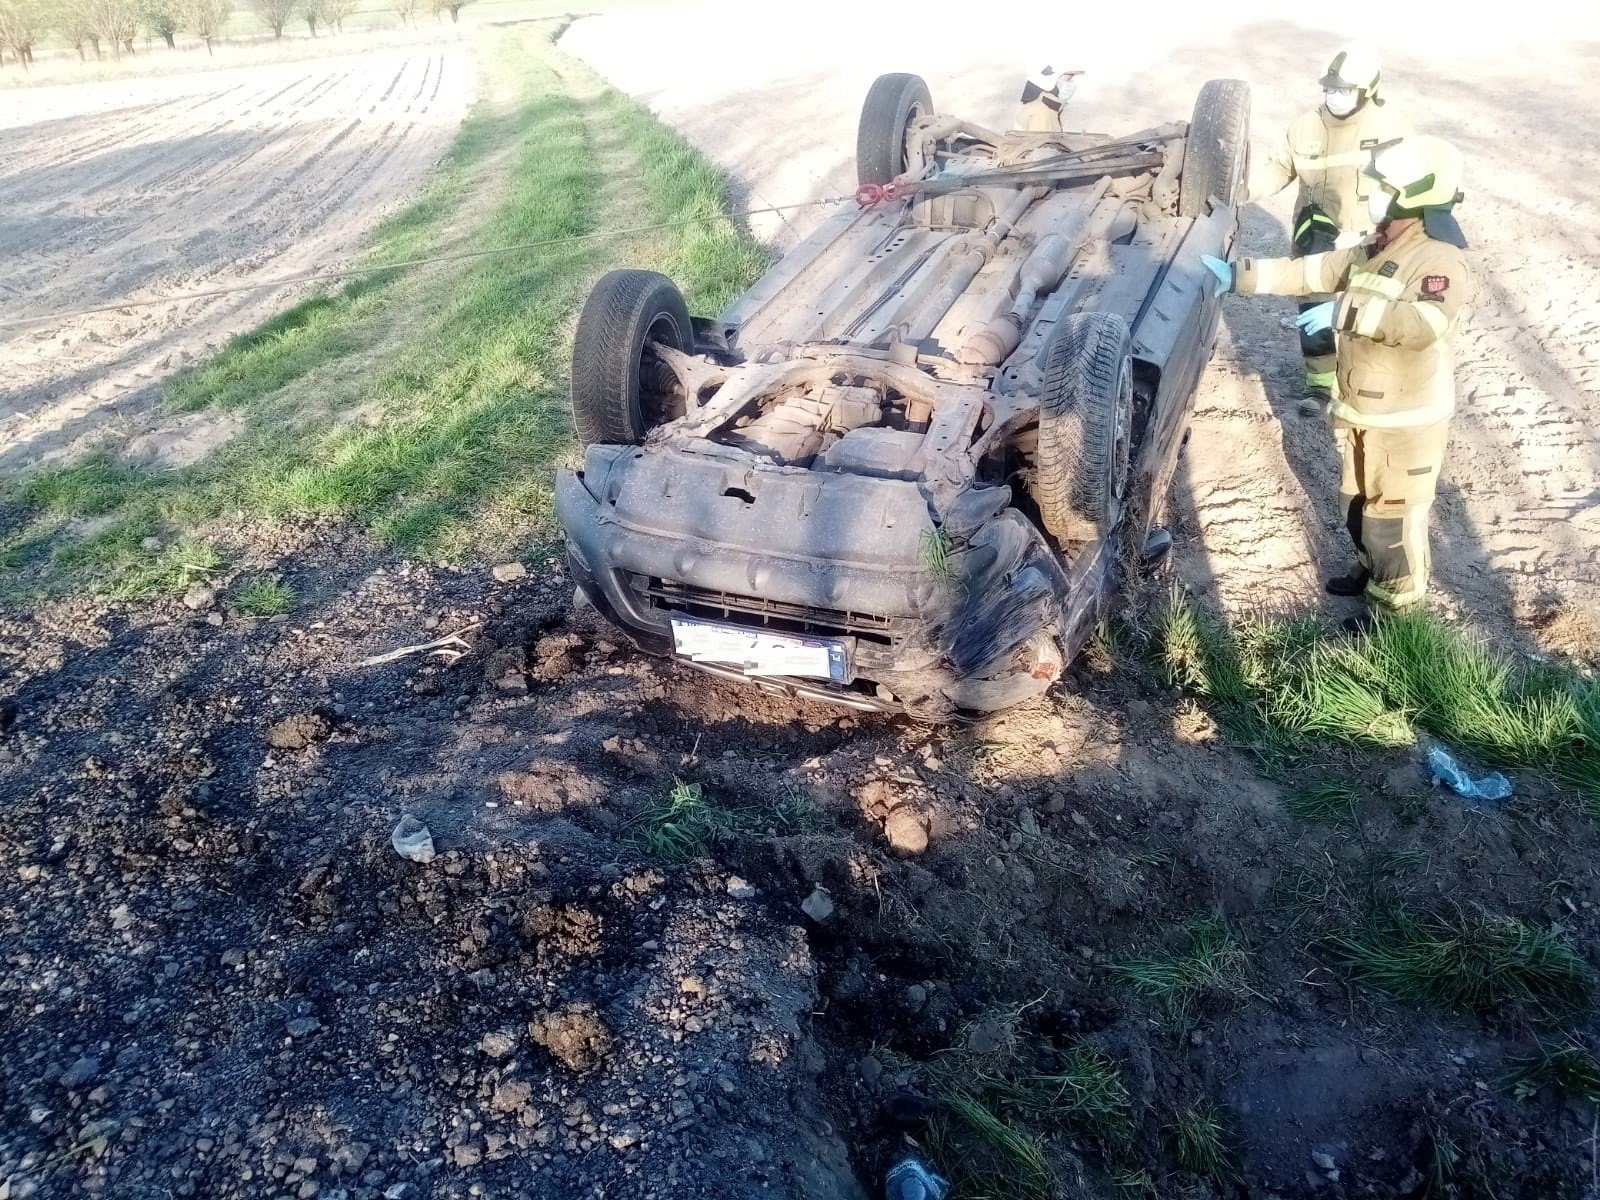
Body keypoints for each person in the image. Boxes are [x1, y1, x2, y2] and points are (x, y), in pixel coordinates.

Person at [1203, 136, 1472, 617]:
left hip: (1405, 419)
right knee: (1357, 503)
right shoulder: (1381, 242)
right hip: (1365, 408)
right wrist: (1238, 275)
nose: (1372, 195)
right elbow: (1315, 271)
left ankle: (1394, 622)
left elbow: (1423, 325)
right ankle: (1370, 574)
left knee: (1393, 520)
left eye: (1385, 187)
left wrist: (1343, 310)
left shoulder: (1439, 259)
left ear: (1418, 194)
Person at [1247, 45, 1408, 413]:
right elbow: (1278, 169)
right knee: (1313, 313)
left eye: (1345, 89)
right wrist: (1243, 190)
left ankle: (1366, 388)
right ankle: (1319, 386)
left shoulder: (1391, 130)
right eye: (1330, 88)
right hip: (1316, 240)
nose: (1335, 96)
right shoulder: (1305, 127)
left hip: (1369, 243)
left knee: (1365, 314)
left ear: (1367, 91)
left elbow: (1408, 186)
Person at [1015, 66, 1077, 132]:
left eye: (1071, 79)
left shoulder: (1050, 108)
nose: (1070, 85)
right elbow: (1040, 141)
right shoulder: (1041, 112)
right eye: (1067, 80)